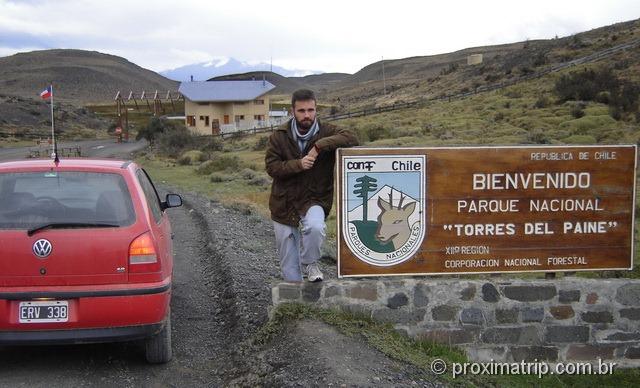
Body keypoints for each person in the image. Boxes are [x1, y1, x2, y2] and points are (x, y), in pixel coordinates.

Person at [265, 89, 358, 282]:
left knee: (316, 227)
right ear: (292, 111)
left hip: (315, 197)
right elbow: (272, 167)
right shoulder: (279, 135)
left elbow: (351, 138)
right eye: (301, 111)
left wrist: (319, 146)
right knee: (288, 259)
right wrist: (298, 164)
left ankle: (310, 263)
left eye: (310, 110)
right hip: (284, 200)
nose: (307, 115)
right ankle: (293, 299)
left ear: (316, 109)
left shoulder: (328, 131)